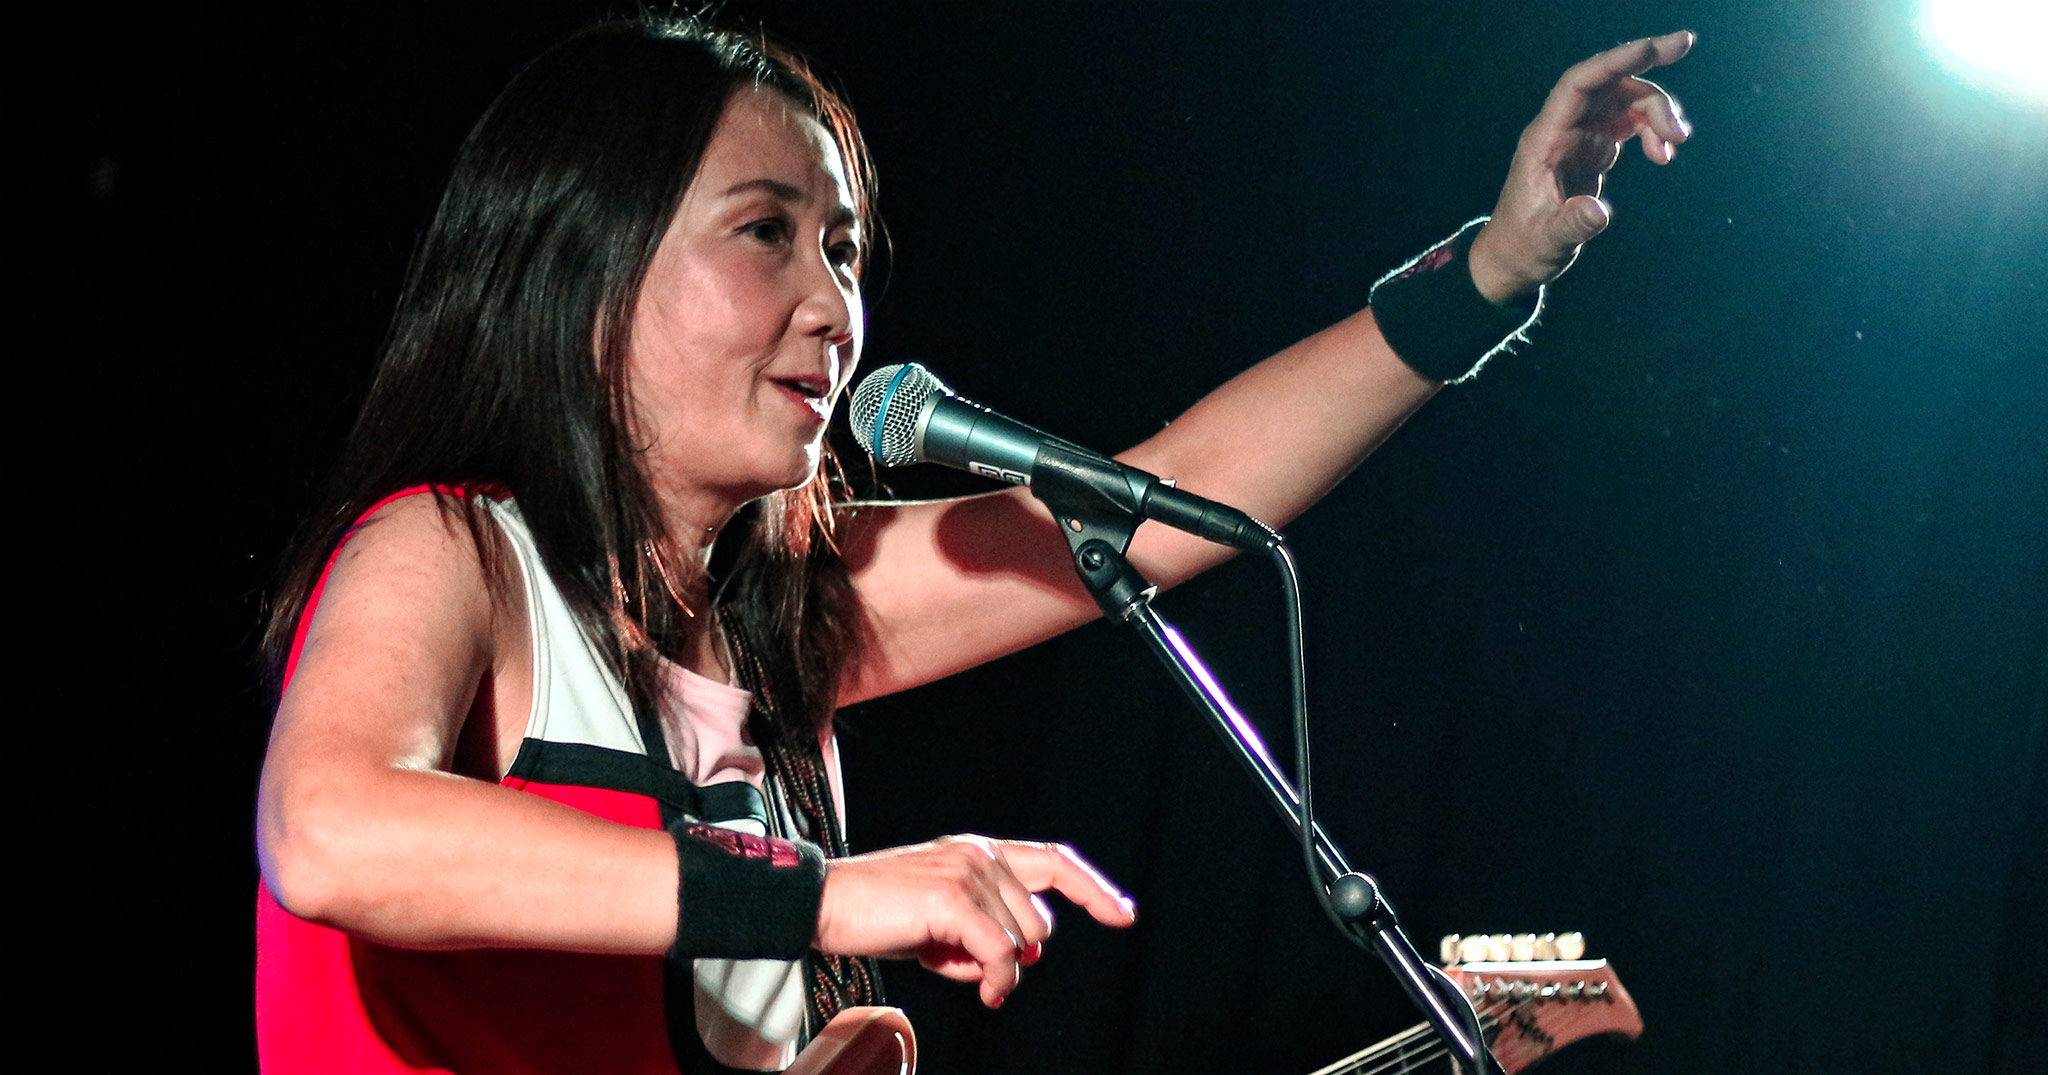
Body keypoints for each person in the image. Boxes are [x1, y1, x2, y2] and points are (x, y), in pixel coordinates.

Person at [254, 15, 1693, 1074]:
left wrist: (1491, 273)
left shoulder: (787, 622)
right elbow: (331, 833)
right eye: (767, 232)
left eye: (845, 249)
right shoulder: (450, 551)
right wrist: (830, 896)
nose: (834, 305)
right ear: (582, 267)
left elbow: (1163, 497)